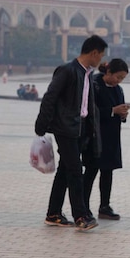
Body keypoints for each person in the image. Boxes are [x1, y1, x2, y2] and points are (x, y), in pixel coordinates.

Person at [34, 34, 107, 231]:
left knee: (66, 171)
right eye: (100, 55)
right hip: (65, 128)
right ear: (93, 53)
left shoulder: (86, 73)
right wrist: (41, 126)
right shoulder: (67, 71)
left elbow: (87, 104)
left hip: (79, 128)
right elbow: (50, 97)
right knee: (75, 171)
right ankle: (81, 216)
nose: (101, 59)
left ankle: (54, 213)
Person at [84, 59, 130, 220]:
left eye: (122, 78)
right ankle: (83, 207)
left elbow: (119, 109)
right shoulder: (94, 85)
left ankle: (104, 206)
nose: (119, 81)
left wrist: (123, 113)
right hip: (95, 136)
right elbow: (90, 110)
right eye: (118, 77)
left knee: (107, 171)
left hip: (111, 136)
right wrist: (112, 110)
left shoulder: (118, 90)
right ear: (108, 72)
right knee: (91, 171)